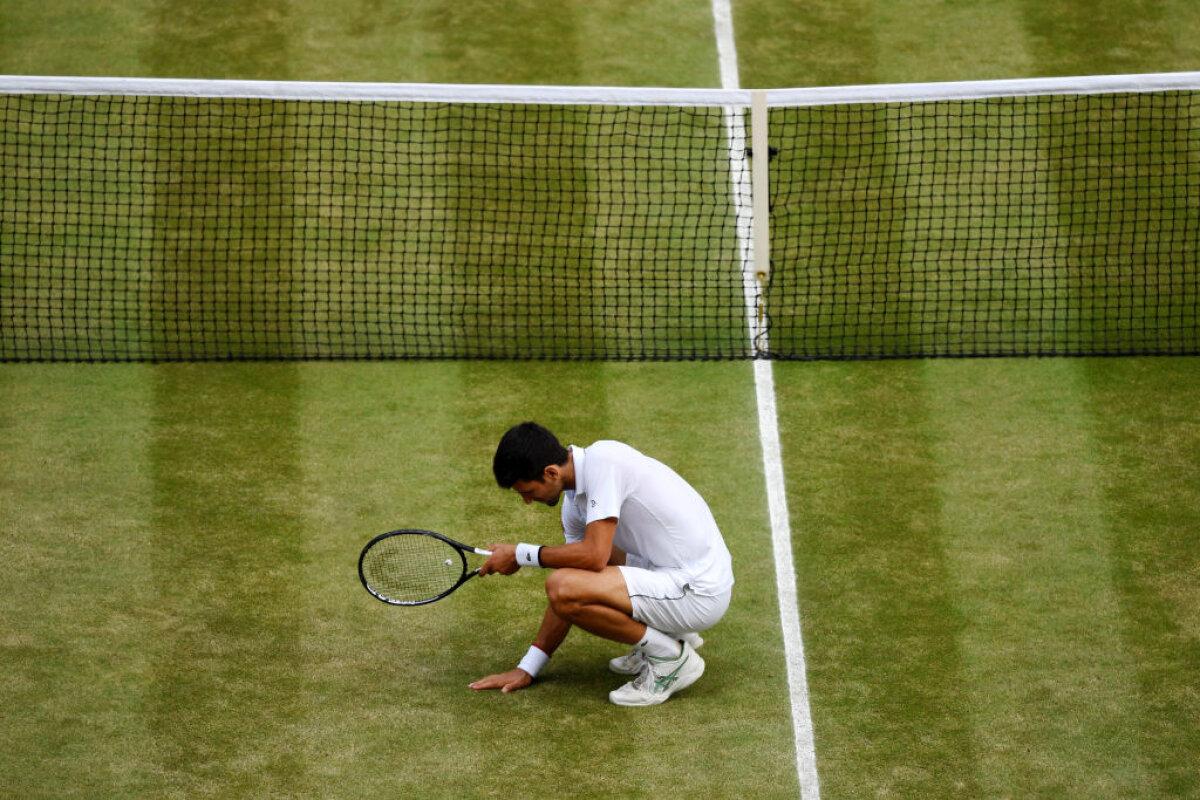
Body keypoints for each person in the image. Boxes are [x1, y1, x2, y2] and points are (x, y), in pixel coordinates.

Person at [469, 421, 734, 706]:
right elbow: (575, 582)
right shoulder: (575, 503)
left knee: (562, 583)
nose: (527, 501)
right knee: (568, 583)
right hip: (674, 575)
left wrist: (521, 555)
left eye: (528, 491)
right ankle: (670, 634)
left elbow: (592, 559)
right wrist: (527, 668)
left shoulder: (605, 462)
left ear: (551, 472)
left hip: (699, 591)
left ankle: (669, 657)